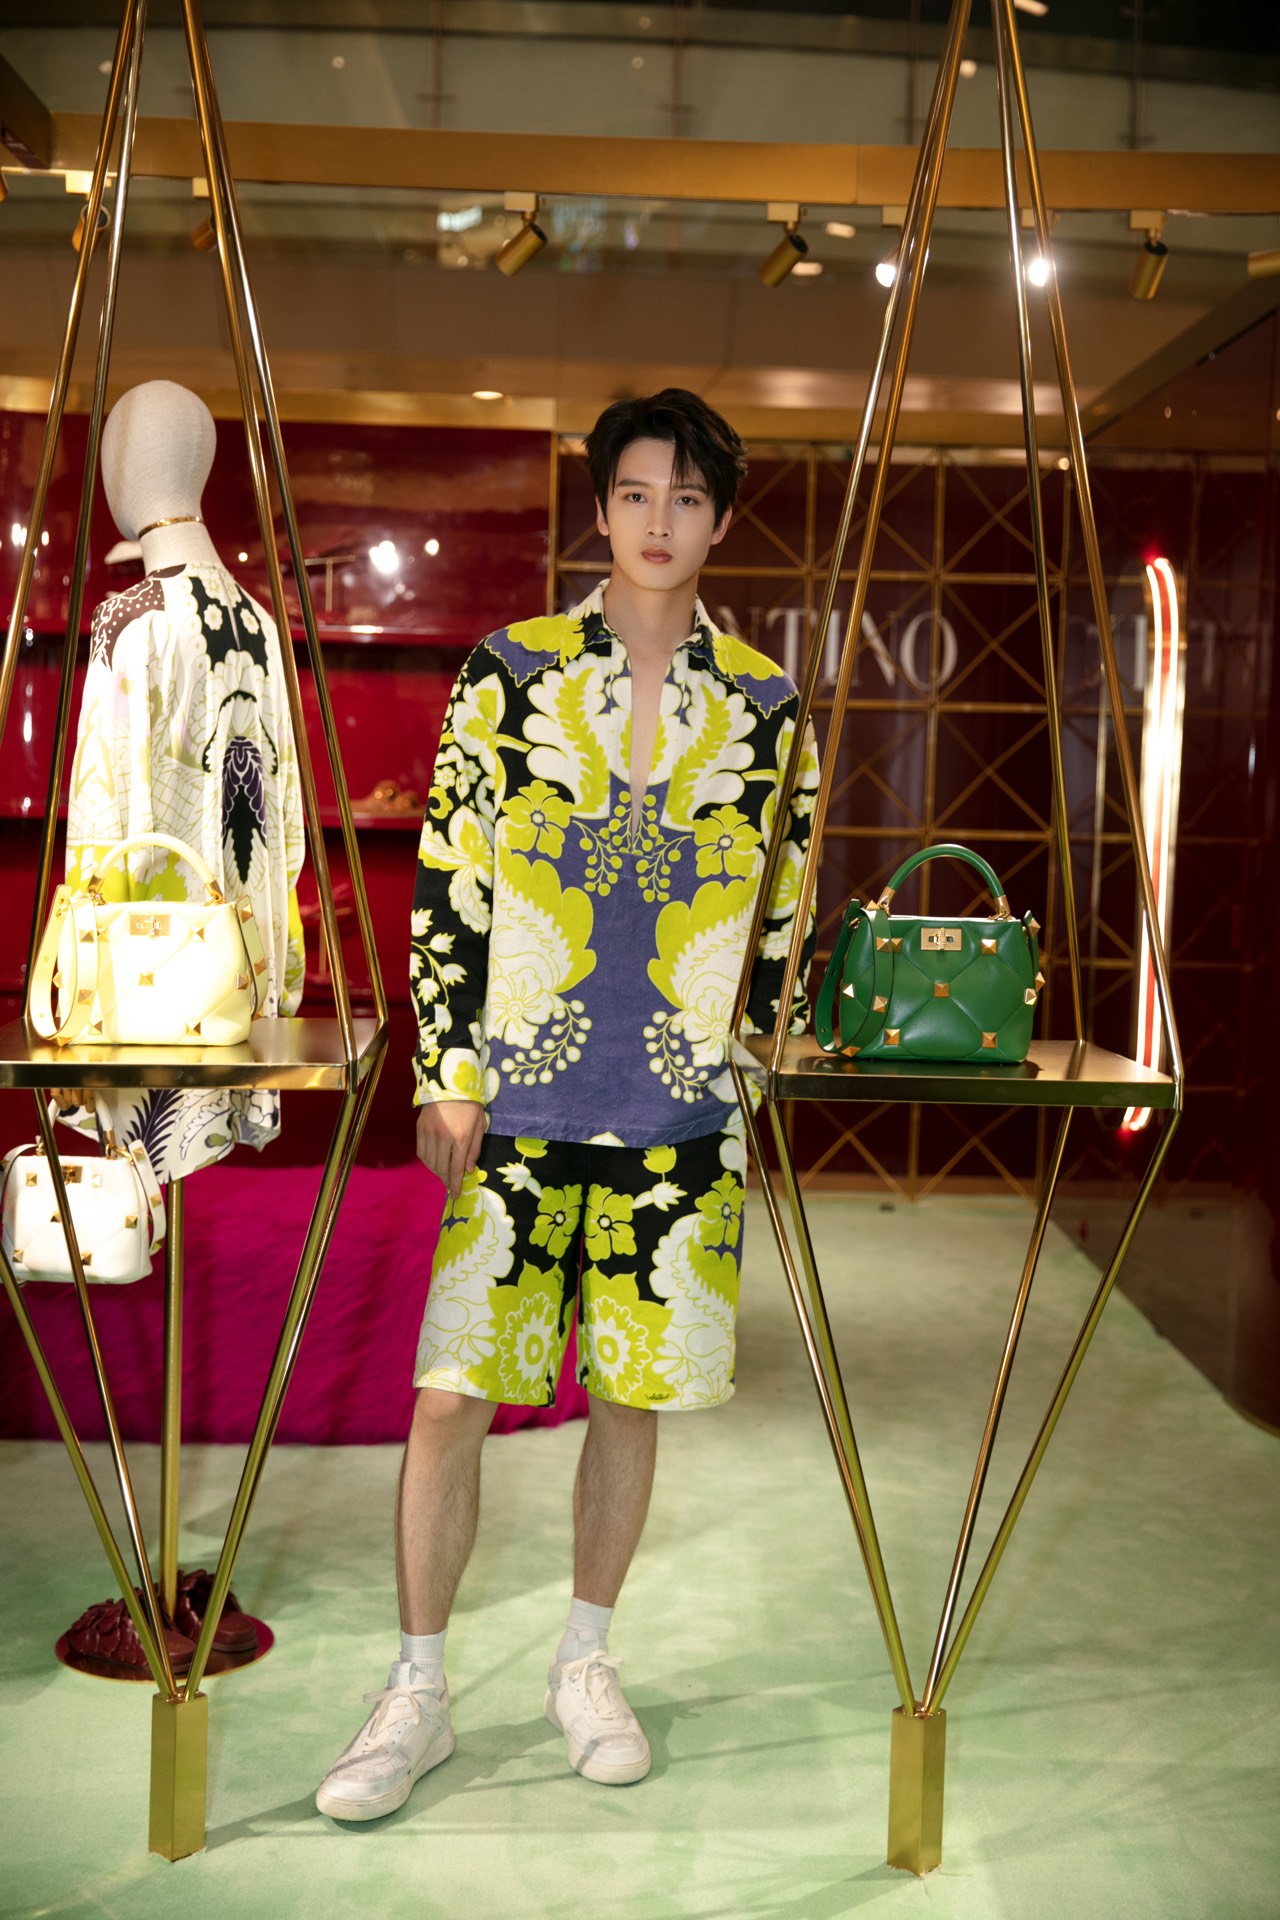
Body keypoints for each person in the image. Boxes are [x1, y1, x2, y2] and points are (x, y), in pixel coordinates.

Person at [316, 387, 818, 1822]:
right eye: (637, 493)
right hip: (521, 1101)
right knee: (450, 1396)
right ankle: (417, 1689)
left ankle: (585, 1661)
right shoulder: (511, 671)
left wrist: (756, 1058)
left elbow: (783, 903)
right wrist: (447, 1068)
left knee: (630, 1397)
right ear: (600, 508)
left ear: (720, 522)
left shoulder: (768, 705)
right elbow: (452, 876)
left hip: (680, 1111)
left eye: (688, 499)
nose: (660, 522)